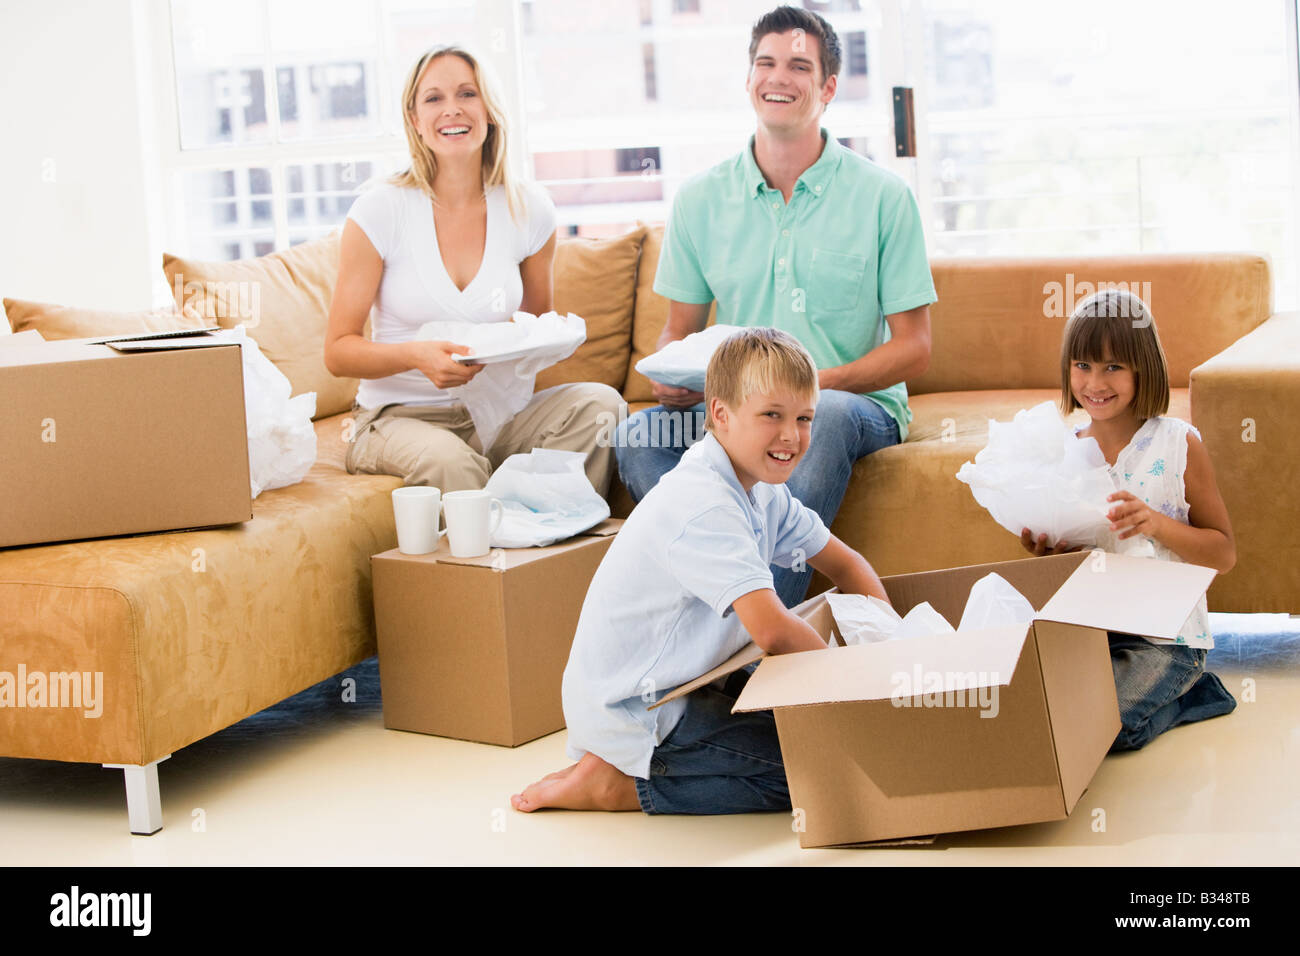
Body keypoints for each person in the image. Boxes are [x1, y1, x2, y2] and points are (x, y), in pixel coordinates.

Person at [615, 5, 937, 608]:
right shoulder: (699, 200)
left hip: (850, 405)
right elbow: (677, 334)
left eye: (798, 65)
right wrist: (677, 381)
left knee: (823, 420)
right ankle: (716, 610)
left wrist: (808, 393)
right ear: (748, 79)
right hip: (737, 409)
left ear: (828, 87)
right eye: (765, 63)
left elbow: (915, 348)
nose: (778, 77)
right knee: (639, 433)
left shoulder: (883, 198)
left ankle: (757, 650)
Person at [511, 328, 890, 814]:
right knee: (818, 772)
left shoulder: (761, 489)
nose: (791, 436)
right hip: (641, 708)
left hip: (687, 682)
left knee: (828, 738)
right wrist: (862, 693)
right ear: (720, 414)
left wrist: (888, 648)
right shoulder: (705, 504)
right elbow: (773, 631)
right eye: (771, 415)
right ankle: (615, 784)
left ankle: (615, 763)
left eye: (804, 418)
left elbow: (846, 564)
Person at [324, 45, 623, 497]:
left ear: (490, 109)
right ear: (414, 119)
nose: (452, 110)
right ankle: (503, 545)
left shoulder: (530, 209)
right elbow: (338, 351)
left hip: (494, 416)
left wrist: (526, 346)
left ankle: (536, 542)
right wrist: (417, 355)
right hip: (396, 419)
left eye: (467, 93)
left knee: (603, 407)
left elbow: (534, 328)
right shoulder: (380, 210)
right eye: (433, 99)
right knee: (453, 462)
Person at [1020, 289, 1237, 751]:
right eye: (1083, 365)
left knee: (1104, 728)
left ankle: (1194, 693)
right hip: (1091, 629)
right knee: (1041, 716)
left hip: (1167, 638)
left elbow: (1224, 554)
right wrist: (1049, 550)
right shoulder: (1066, 449)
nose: (1095, 382)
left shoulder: (1179, 443)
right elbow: (1075, 556)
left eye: (1113, 367)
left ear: (1143, 368)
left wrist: (1156, 523)